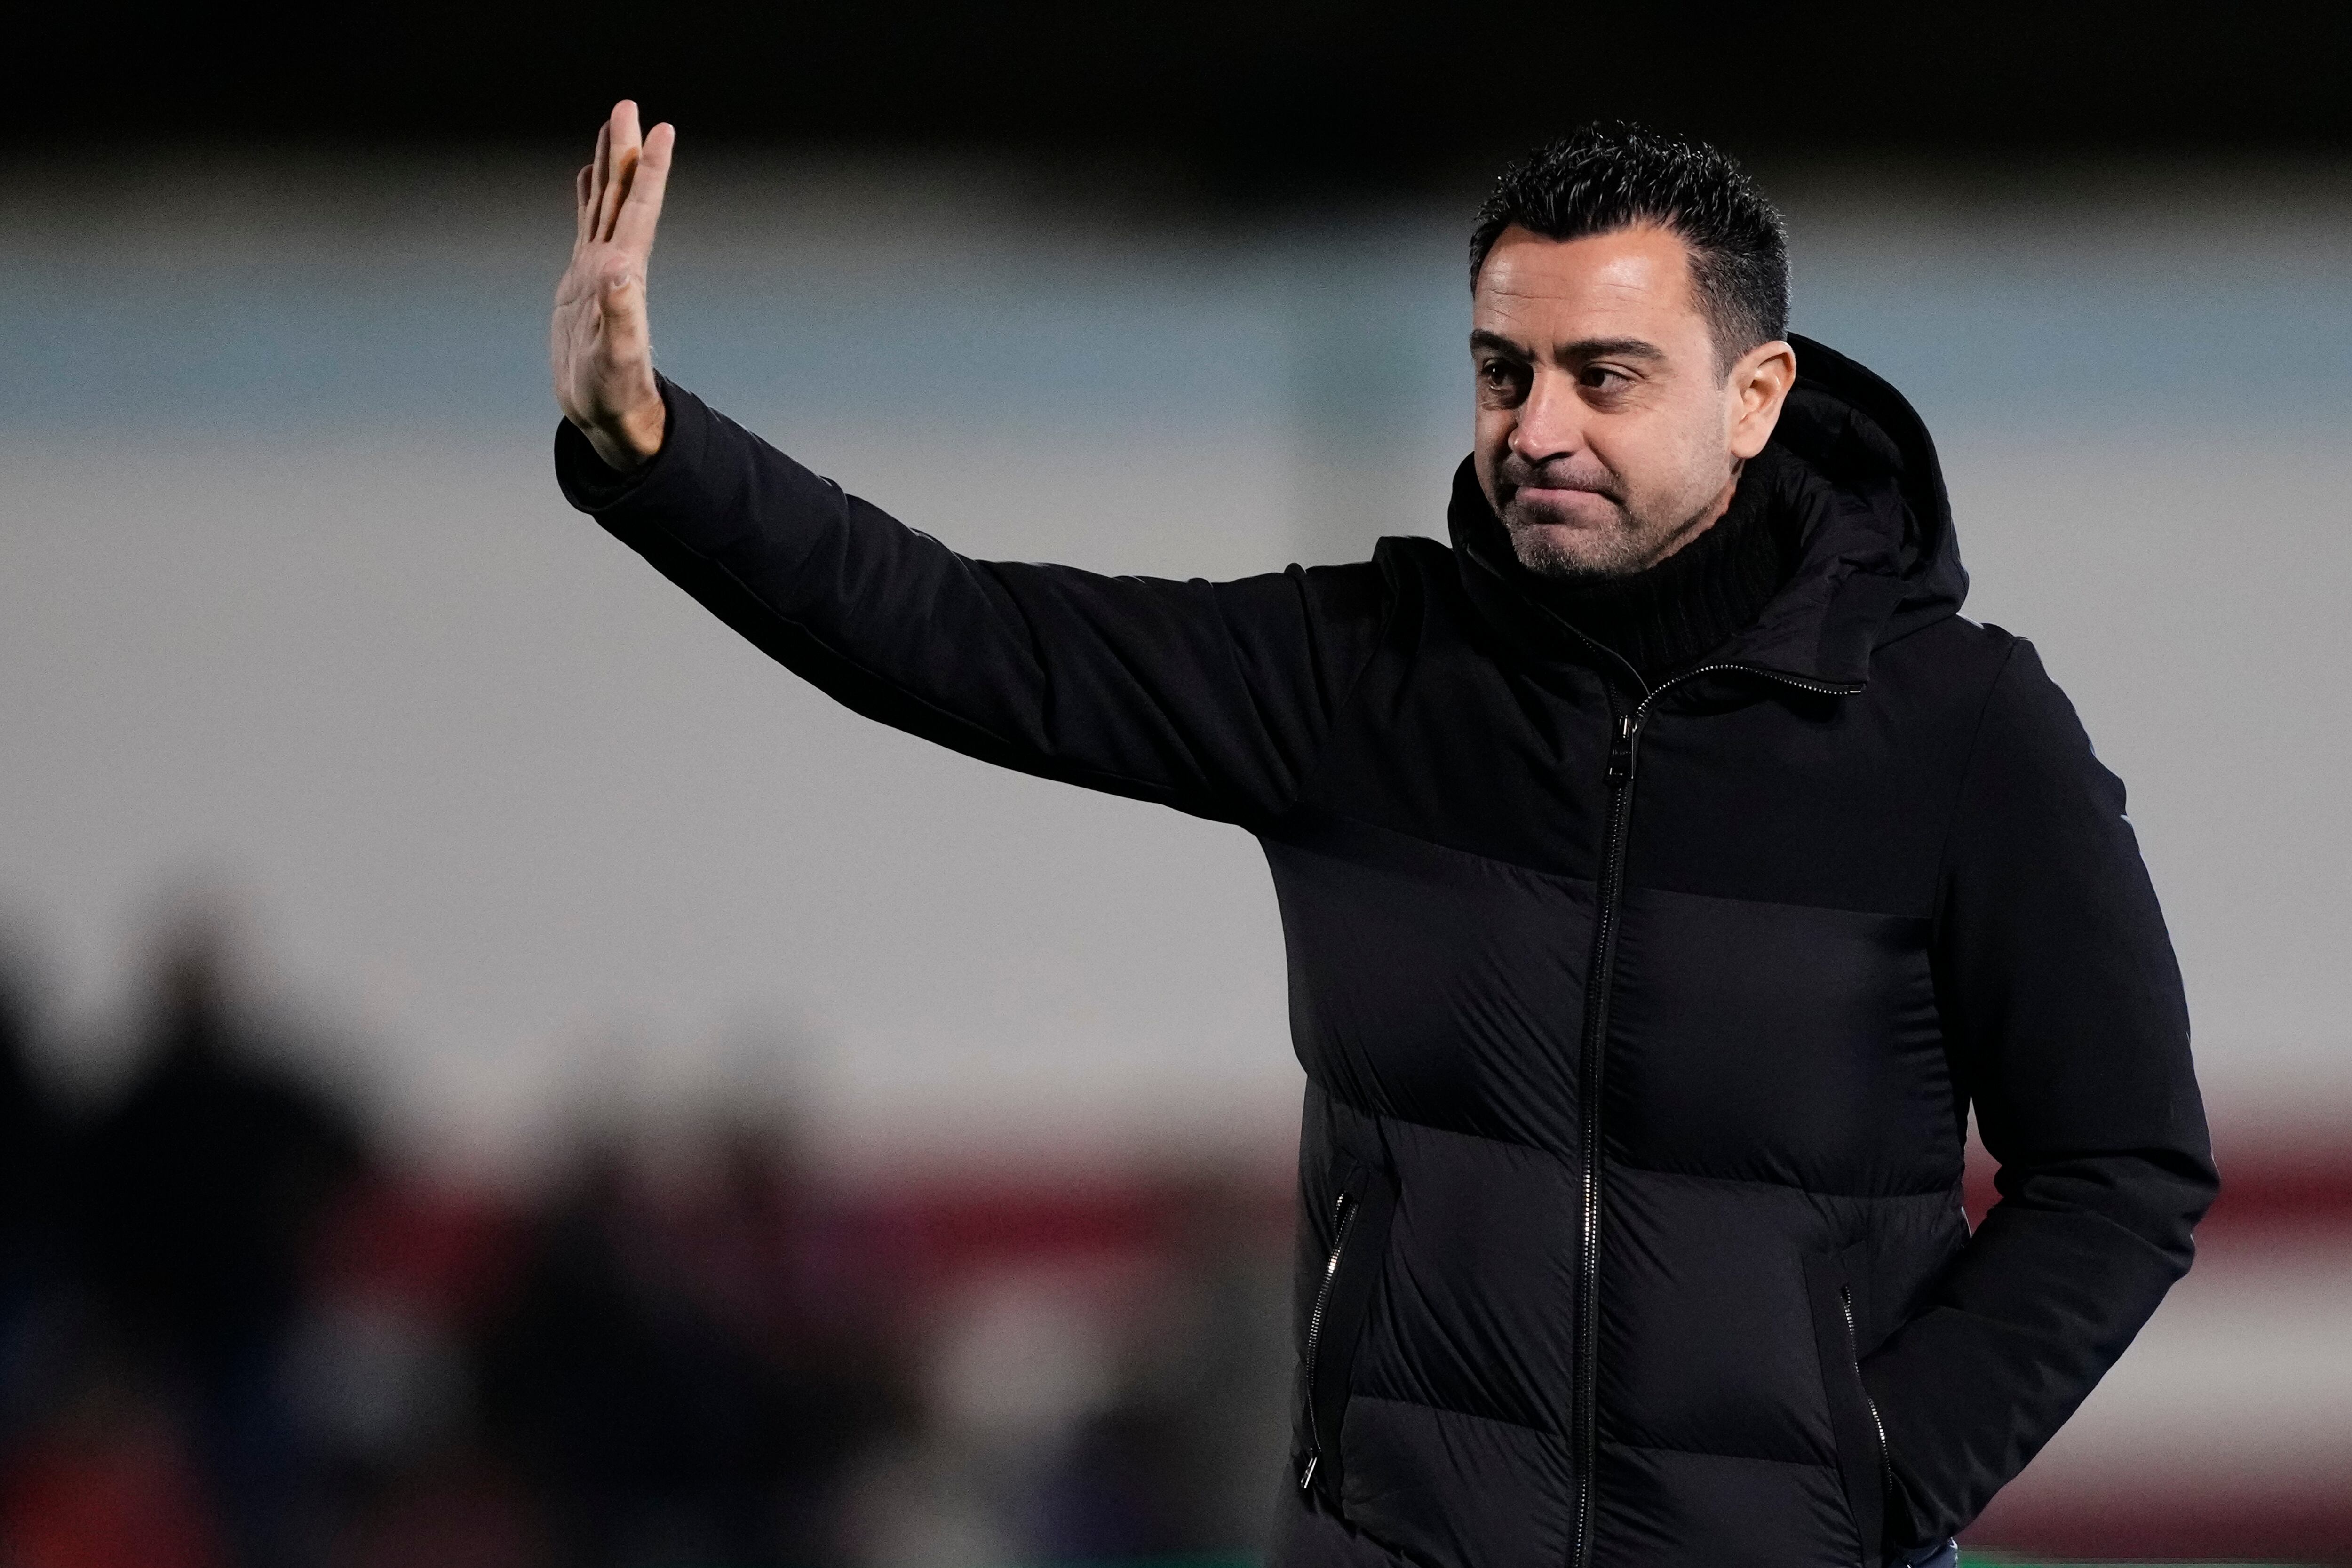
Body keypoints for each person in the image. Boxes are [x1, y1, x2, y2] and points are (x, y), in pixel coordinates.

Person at [549, 103, 2217, 1567]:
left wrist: (1880, 1475)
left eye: (1605, 375)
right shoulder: (1365, 678)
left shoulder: (1958, 729)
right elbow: (964, 635)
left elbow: (2123, 1169)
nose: (1536, 427)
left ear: (1757, 394)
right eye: (1505, 370)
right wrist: (654, 449)